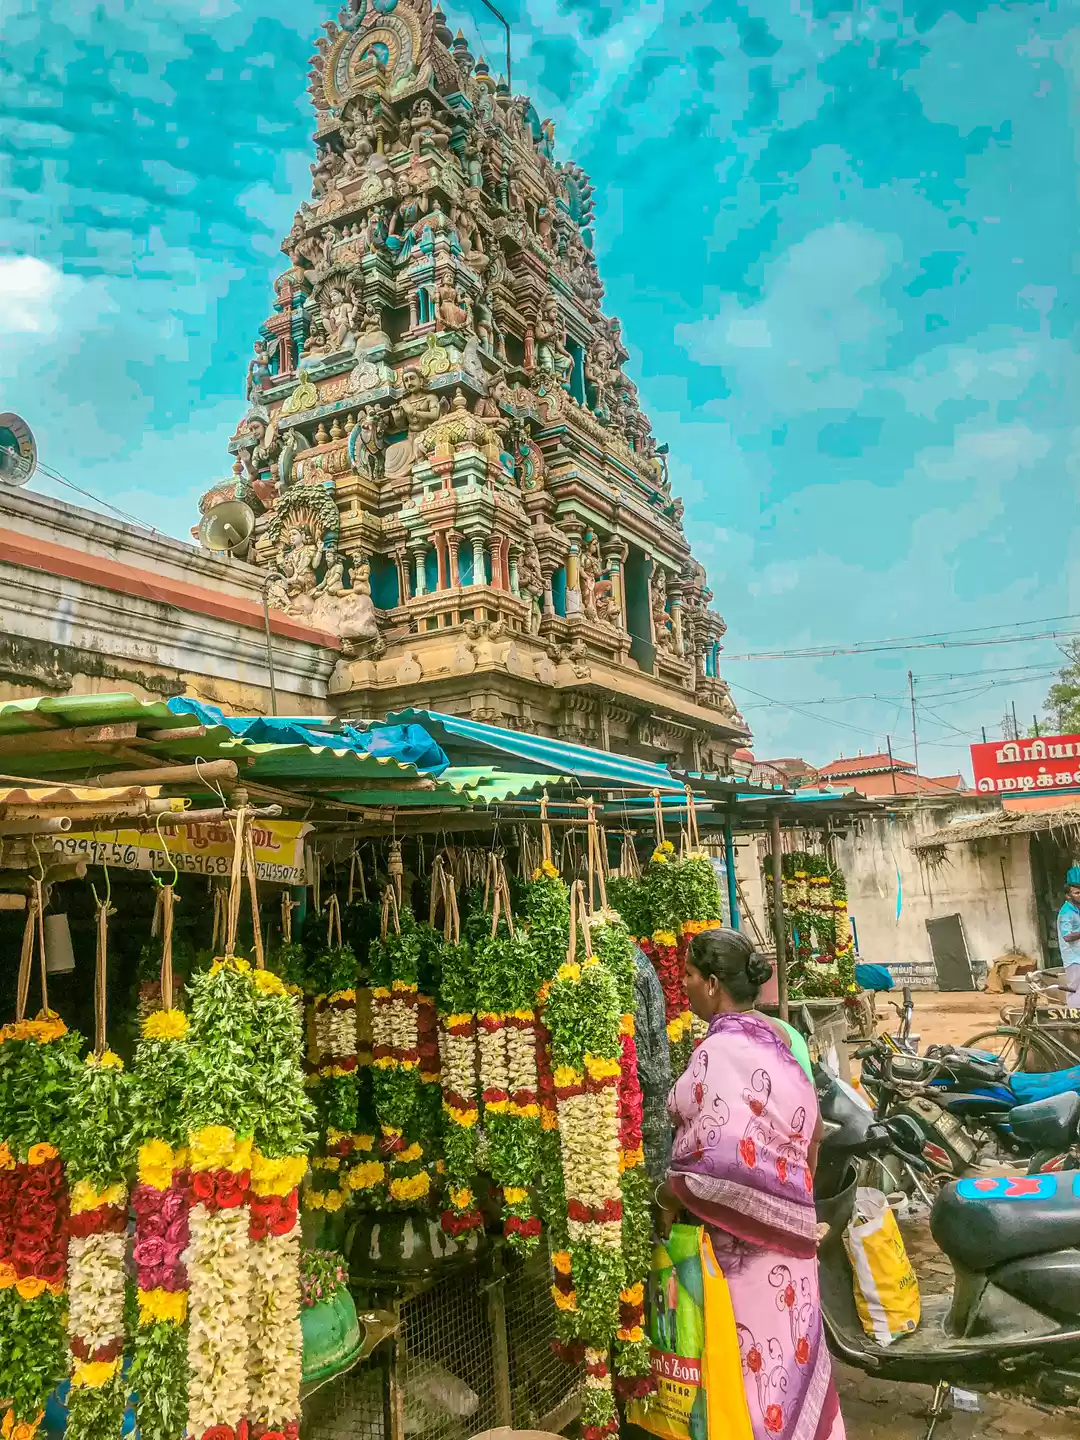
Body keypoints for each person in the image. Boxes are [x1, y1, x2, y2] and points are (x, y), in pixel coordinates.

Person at [653, 928, 845, 1440]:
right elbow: (812, 1132)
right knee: (788, 1364)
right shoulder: (779, 1041)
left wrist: (669, 1193)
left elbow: (714, 1156)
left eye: (690, 977)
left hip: (745, 1255)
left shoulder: (722, 1052)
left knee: (751, 1378)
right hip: (791, 1244)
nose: (685, 986)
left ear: (713, 984)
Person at [1055, 867, 1080, 1007]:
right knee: (1075, 991)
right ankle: (1074, 1022)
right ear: (1068, 896)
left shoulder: (1077, 909)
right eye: (1077, 893)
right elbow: (1067, 937)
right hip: (1074, 959)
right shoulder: (1066, 913)